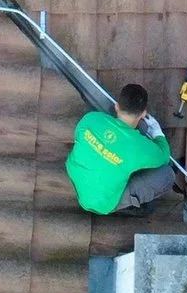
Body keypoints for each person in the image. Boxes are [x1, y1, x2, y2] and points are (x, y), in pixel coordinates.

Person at [66, 82, 180, 216]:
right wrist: (157, 134)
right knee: (167, 174)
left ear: (117, 106)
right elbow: (164, 157)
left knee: (122, 158)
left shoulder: (91, 118)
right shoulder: (139, 147)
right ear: (143, 113)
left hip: (76, 175)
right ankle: (134, 205)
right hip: (101, 203)